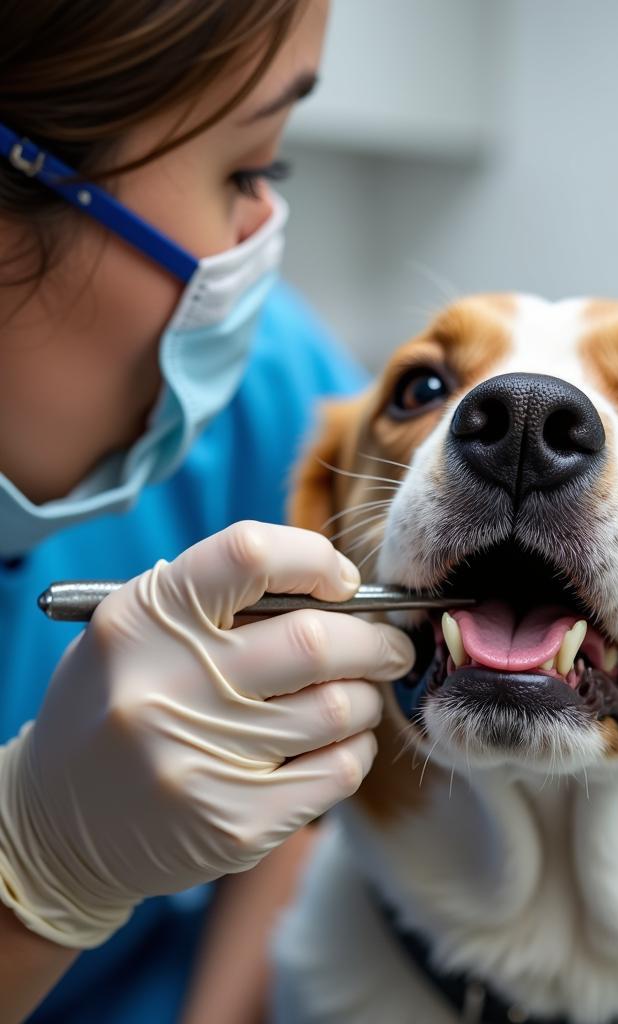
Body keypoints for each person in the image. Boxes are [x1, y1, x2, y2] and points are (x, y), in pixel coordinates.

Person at [0, 2, 415, 1021]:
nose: (257, 246)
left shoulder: (271, 377)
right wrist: (35, 872)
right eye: (245, 171)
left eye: (275, 169)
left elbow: (326, 760)